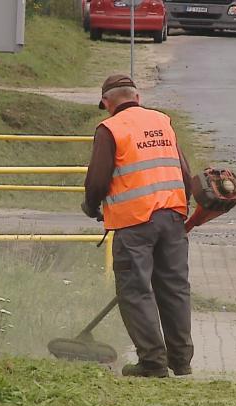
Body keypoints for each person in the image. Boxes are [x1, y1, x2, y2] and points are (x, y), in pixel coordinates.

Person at [81, 74, 194, 378]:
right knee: (175, 288)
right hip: (173, 216)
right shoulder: (162, 121)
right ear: (137, 97)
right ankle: (181, 360)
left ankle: (153, 362)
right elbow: (184, 170)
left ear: (107, 102)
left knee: (135, 290)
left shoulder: (110, 129)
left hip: (135, 223)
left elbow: (98, 178)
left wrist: (91, 206)